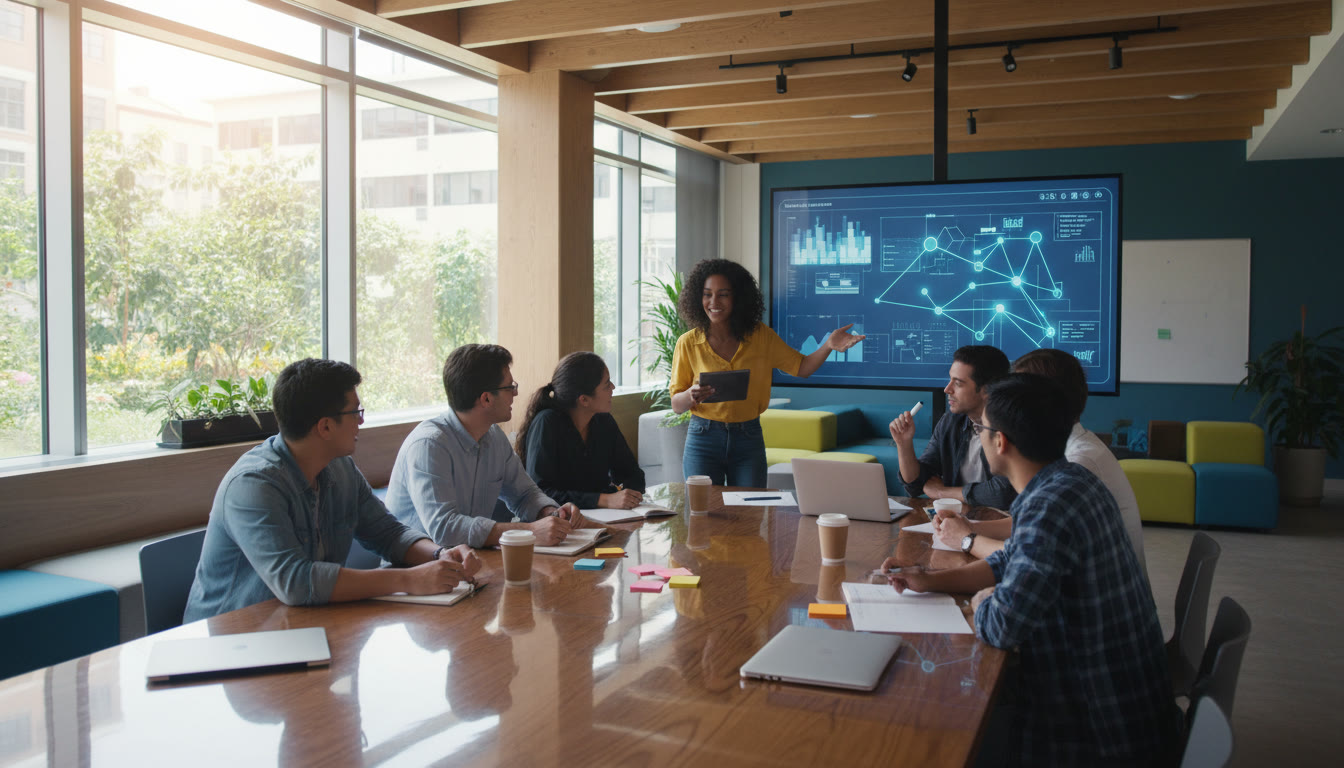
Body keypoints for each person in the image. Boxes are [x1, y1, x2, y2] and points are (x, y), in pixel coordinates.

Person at [883, 374, 1180, 766]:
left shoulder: (1050, 507)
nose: (981, 436)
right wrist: (929, 580)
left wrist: (983, 601)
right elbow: (1007, 562)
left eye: (982, 430)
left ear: (1001, 441)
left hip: (1098, 731)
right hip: (1123, 707)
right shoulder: (1067, 482)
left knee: (938, 719)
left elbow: (1003, 624)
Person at [184, 358, 480, 622]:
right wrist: (408, 580)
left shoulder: (340, 468)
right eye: (356, 412)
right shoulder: (254, 485)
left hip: (300, 626)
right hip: (230, 644)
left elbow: (388, 534)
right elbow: (296, 582)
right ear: (325, 427)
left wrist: (440, 555)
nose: (361, 422)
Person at [934, 348, 1147, 575]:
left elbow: (1020, 560)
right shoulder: (1066, 452)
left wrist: (968, 538)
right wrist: (968, 528)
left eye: (1018, 389)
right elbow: (1028, 531)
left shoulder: (1078, 463)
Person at [670, 258, 864, 487]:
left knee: (749, 514)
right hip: (703, 438)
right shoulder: (688, 343)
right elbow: (676, 404)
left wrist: (829, 345)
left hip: (747, 438)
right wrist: (690, 395)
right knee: (702, 515)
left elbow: (802, 368)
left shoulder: (761, 337)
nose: (714, 301)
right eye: (707, 294)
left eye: (723, 294)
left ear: (737, 297)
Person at [385, 343, 590, 549]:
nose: (515, 394)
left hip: (470, 564)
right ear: (486, 398)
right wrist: (531, 531)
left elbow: (524, 494)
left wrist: (551, 514)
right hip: (416, 570)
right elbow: (445, 528)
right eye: (510, 387)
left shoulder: (494, 437)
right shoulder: (429, 445)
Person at [888, 345, 1016, 510]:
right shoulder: (951, 420)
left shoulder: (1012, 425)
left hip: (1001, 523)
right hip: (956, 519)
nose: (947, 389)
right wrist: (904, 444)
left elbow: (1002, 492)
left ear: (986, 390)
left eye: (958, 383)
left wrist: (942, 492)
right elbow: (917, 484)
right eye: (950, 380)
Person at [515, 351, 646, 510]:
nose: (613, 387)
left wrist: (627, 494)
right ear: (584, 399)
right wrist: (604, 499)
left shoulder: (604, 421)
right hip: (560, 524)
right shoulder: (547, 423)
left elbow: (633, 474)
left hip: (607, 518)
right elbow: (540, 493)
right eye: (606, 385)